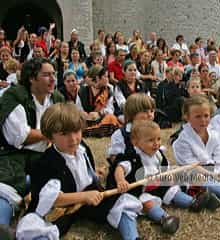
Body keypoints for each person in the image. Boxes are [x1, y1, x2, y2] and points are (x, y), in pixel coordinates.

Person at [25, 103, 142, 240]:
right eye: (64, 134)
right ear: (50, 137)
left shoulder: (82, 148)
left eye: (76, 131)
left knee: (121, 203)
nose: (73, 139)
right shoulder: (46, 163)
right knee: (38, 228)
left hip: (88, 197)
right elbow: (52, 199)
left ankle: (132, 237)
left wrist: (94, 176)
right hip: (65, 206)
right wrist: (84, 196)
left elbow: (86, 171)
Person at [107, 120, 220, 234]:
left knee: (173, 190)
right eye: (151, 140)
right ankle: (164, 218)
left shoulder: (158, 154)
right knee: (147, 202)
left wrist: (169, 175)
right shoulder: (132, 157)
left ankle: (193, 202)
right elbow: (120, 168)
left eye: (158, 139)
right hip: (140, 191)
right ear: (135, 142)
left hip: (158, 186)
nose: (156, 143)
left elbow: (165, 168)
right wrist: (121, 180)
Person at [0, 58, 64, 233]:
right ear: (31, 78)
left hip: (46, 154)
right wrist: (52, 132)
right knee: (7, 186)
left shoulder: (56, 98)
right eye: (46, 75)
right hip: (14, 154)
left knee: (63, 180)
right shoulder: (14, 96)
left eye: (54, 74)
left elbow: (67, 126)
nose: (52, 79)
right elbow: (20, 136)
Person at [78, 65, 121, 137]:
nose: (108, 79)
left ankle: (88, 131)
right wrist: (84, 114)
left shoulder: (109, 90)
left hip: (101, 119)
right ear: (98, 78)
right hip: (85, 119)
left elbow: (110, 109)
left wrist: (99, 114)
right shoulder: (83, 90)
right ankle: (92, 130)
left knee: (111, 118)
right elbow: (78, 107)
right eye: (105, 76)